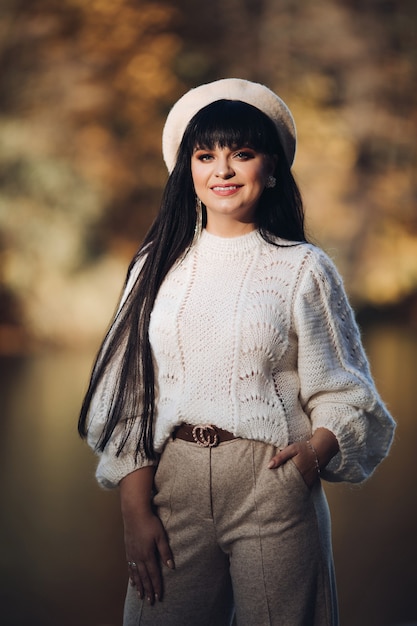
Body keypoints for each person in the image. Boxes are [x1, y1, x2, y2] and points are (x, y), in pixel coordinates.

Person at [78, 78, 396, 626]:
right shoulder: (155, 266)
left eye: (241, 154)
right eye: (206, 156)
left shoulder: (304, 269)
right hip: (170, 483)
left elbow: (345, 391)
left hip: (272, 483)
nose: (222, 170)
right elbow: (126, 392)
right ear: (189, 171)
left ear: (270, 169)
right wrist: (135, 508)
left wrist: (315, 454)